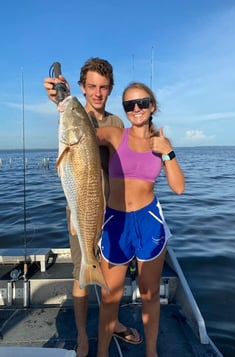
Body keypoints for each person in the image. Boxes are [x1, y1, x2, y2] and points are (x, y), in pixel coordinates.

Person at [44, 58, 141, 357]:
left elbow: (121, 164)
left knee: (112, 274)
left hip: (111, 210)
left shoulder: (115, 123)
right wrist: (59, 102)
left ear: (110, 89)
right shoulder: (74, 116)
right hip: (81, 210)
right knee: (81, 275)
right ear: (83, 88)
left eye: (103, 88)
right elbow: (71, 127)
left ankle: (114, 322)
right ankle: (84, 336)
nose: (97, 93)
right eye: (91, 87)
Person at [95, 82, 185, 357]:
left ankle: (152, 352)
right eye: (129, 105)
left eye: (142, 103)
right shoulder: (113, 134)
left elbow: (178, 187)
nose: (136, 109)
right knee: (110, 296)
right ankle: (102, 352)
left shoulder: (161, 143)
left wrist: (168, 150)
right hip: (115, 221)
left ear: (152, 106)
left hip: (148, 221)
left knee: (149, 293)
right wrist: (61, 103)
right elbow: (77, 134)